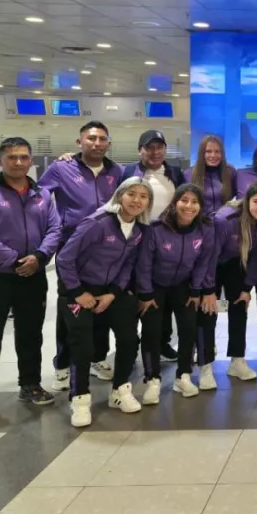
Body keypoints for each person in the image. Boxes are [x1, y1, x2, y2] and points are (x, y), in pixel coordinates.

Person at [0, 137, 61, 422]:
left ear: (31, 161)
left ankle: (30, 384)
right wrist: (16, 260)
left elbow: (54, 228)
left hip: (33, 277)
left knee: (31, 334)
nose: (18, 162)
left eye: (23, 157)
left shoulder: (42, 194)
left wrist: (40, 257)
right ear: (0, 161)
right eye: (11, 157)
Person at [56, 177, 151, 427]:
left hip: (110, 291)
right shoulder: (97, 223)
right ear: (120, 196)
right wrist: (77, 292)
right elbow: (65, 258)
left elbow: (128, 263)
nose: (137, 200)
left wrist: (113, 292)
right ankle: (79, 398)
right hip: (78, 290)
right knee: (82, 345)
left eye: (143, 196)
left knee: (130, 338)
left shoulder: (138, 230)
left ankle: (120, 390)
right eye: (132, 194)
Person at [40, 121, 124, 388]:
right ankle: (63, 364)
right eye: (91, 138)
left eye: (102, 139)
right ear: (80, 142)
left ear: (108, 143)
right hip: (72, 248)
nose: (97, 143)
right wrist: (54, 228)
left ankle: (98, 357)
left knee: (100, 305)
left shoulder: (117, 171)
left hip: (106, 249)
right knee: (71, 307)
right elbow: (40, 198)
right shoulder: (61, 168)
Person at [135, 184, 216, 400]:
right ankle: (152, 379)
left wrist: (196, 289)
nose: (189, 206)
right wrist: (145, 294)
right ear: (175, 203)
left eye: (194, 202)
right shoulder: (156, 229)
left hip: (184, 286)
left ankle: (184, 376)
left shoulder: (205, 229)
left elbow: (203, 262)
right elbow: (144, 264)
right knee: (152, 331)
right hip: (154, 287)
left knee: (188, 329)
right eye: (184, 200)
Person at [122, 129, 185, 362]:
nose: (155, 152)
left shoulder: (175, 173)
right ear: (140, 150)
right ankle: (132, 343)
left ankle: (162, 341)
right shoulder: (128, 171)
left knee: (162, 294)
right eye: (149, 147)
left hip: (166, 241)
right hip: (134, 239)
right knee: (133, 292)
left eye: (160, 147)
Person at [210, 181, 257, 384]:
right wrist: (205, 288)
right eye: (256, 202)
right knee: (207, 310)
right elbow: (209, 256)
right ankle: (204, 360)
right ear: (247, 201)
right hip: (212, 264)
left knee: (239, 304)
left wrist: (247, 288)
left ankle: (237, 360)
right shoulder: (225, 220)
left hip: (234, 262)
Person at [185, 135, 236, 216]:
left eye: (217, 151)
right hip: (199, 225)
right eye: (208, 151)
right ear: (202, 153)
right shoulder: (189, 174)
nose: (213, 155)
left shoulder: (230, 172)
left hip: (225, 223)